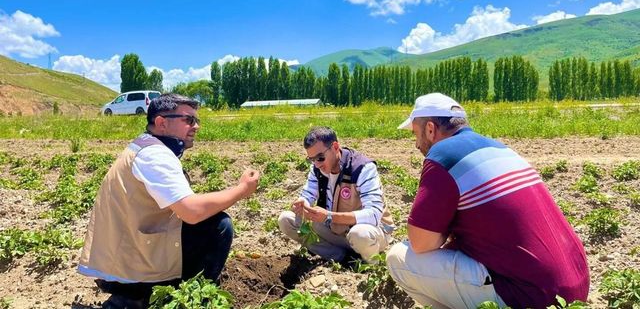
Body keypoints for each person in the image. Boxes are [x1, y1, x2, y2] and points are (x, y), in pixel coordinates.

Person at [386, 93, 589, 309]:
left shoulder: (442, 154)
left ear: (430, 129)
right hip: (575, 288)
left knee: (398, 258)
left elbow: (420, 242)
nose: (416, 144)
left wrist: (445, 227)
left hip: (532, 297)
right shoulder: (499, 148)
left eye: (416, 134)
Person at [78, 94, 260, 309]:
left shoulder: (144, 146)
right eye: (189, 120)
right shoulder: (155, 155)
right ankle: (184, 299)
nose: (196, 126)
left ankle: (147, 295)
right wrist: (242, 189)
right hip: (130, 270)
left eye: (197, 120)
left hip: (122, 258)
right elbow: (191, 211)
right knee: (218, 227)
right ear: (161, 123)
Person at [278, 126, 395, 264]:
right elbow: (308, 194)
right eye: (311, 159)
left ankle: (370, 264)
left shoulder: (362, 168)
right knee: (286, 220)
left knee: (359, 234)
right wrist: (303, 203)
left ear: (335, 146)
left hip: (371, 233)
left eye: (320, 158)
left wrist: (329, 216)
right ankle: (342, 258)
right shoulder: (317, 169)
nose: (317, 164)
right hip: (337, 230)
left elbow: (374, 215)